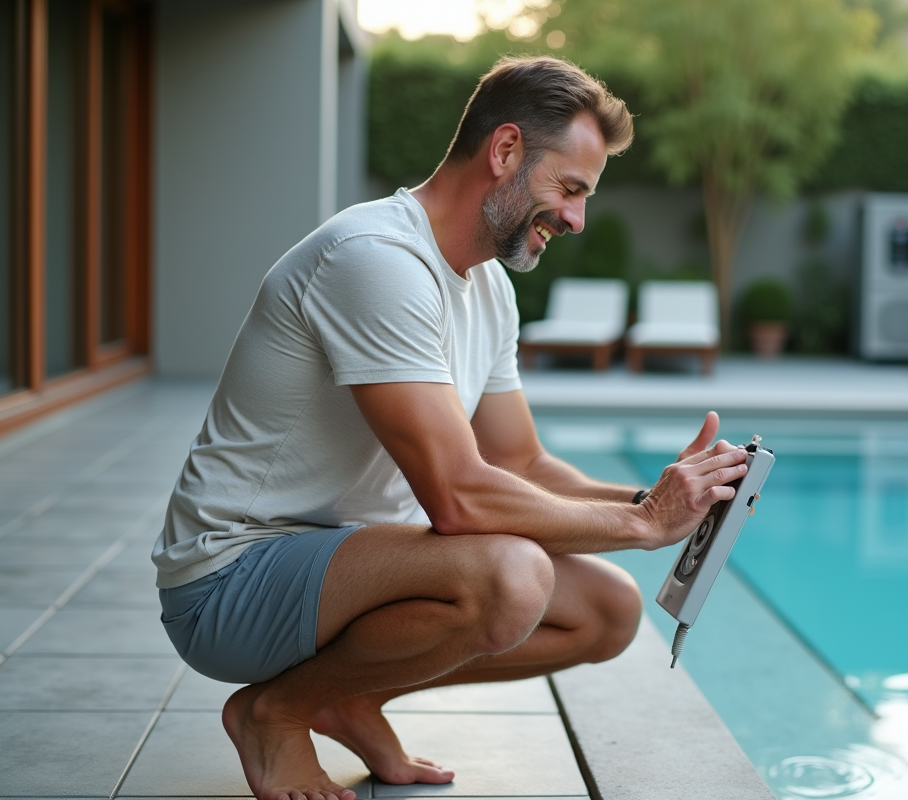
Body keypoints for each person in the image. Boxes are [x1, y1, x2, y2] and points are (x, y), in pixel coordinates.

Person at [153, 55, 747, 800]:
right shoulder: (376, 261)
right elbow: (459, 501)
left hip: (348, 569)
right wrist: (641, 529)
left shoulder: (488, 287)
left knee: (606, 611)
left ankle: (349, 697)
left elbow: (521, 463)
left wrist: (658, 500)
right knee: (510, 575)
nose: (575, 218)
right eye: (569, 189)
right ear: (504, 153)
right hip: (232, 582)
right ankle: (276, 711)